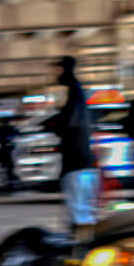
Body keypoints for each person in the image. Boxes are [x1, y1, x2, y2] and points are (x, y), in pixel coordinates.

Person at [43, 56, 98, 231]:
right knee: (81, 212)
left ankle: (81, 248)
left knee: (79, 214)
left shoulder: (74, 90)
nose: (54, 73)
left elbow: (70, 124)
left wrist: (52, 124)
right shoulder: (75, 92)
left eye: (57, 69)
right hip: (80, 163)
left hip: (77, 164)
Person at [0, 112, 22, 194]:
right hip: (9, 148)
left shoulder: (0, 128)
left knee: (5, 164)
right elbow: (16, 134)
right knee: (9, 165)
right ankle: (11, 179)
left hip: (3, 148)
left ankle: (8, 180)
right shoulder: (11, 128)